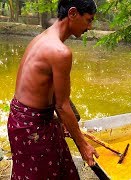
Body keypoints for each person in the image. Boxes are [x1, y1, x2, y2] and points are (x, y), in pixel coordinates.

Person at [7, 0, 99, 179]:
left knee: (62, 170)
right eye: (88, 20)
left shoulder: (42, 37)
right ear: (72, 13)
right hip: (32, 127)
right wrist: (83, 146)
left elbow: (54, 94)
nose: (90, 27)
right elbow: (62, 106)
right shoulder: (61, 52)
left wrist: (64, 120)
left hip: (20, 118)